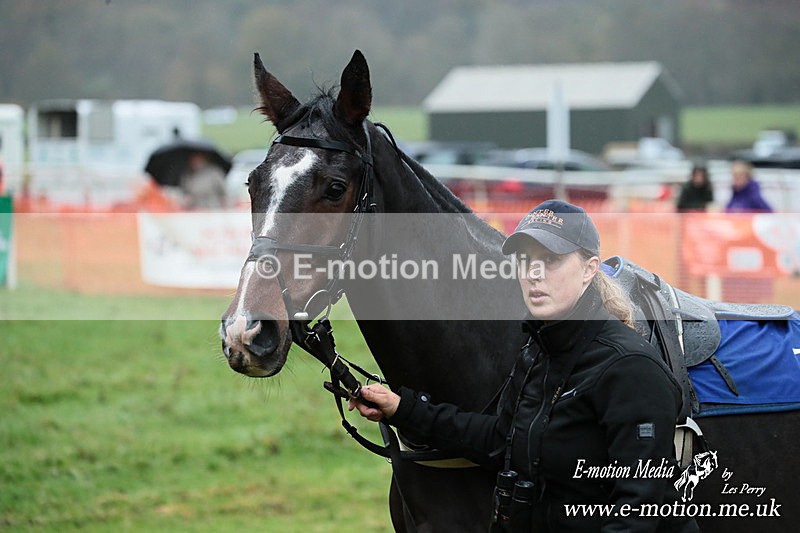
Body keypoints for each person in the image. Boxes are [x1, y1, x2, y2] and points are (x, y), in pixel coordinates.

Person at [350, 200, 698, 532]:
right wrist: (403, 409)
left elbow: (637, 510)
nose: (534, 273)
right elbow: (502, 439)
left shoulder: (629, 368)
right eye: (525, 260)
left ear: (589, 269)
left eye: (551, 260)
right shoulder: (538, 350)